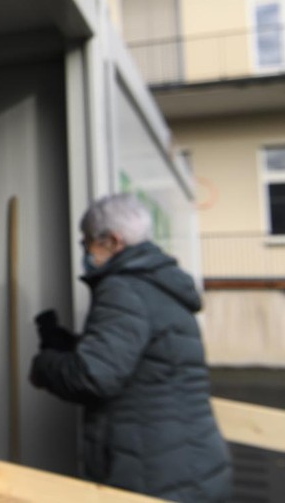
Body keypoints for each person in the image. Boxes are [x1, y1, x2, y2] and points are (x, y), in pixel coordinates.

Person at [29, 193, 232, 502]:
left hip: (155, 475)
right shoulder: (158, 285)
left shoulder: (123, 288)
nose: (85, 252)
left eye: (86, 243)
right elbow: (138, 360)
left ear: (111, 241)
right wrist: (66, 345)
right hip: (190, 464)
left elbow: (93, 376)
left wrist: (45, 364)